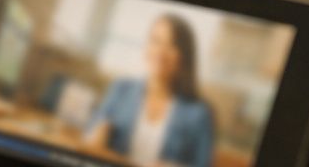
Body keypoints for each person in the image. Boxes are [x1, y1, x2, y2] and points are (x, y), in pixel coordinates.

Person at [84, 15, 216, 167]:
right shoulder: (120, 89)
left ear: (184, 57)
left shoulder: (200, 114)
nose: (161, 52)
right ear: (146, 47)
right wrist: (98, 134)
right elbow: (90, 139)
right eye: (156, 41)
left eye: (172, 45)